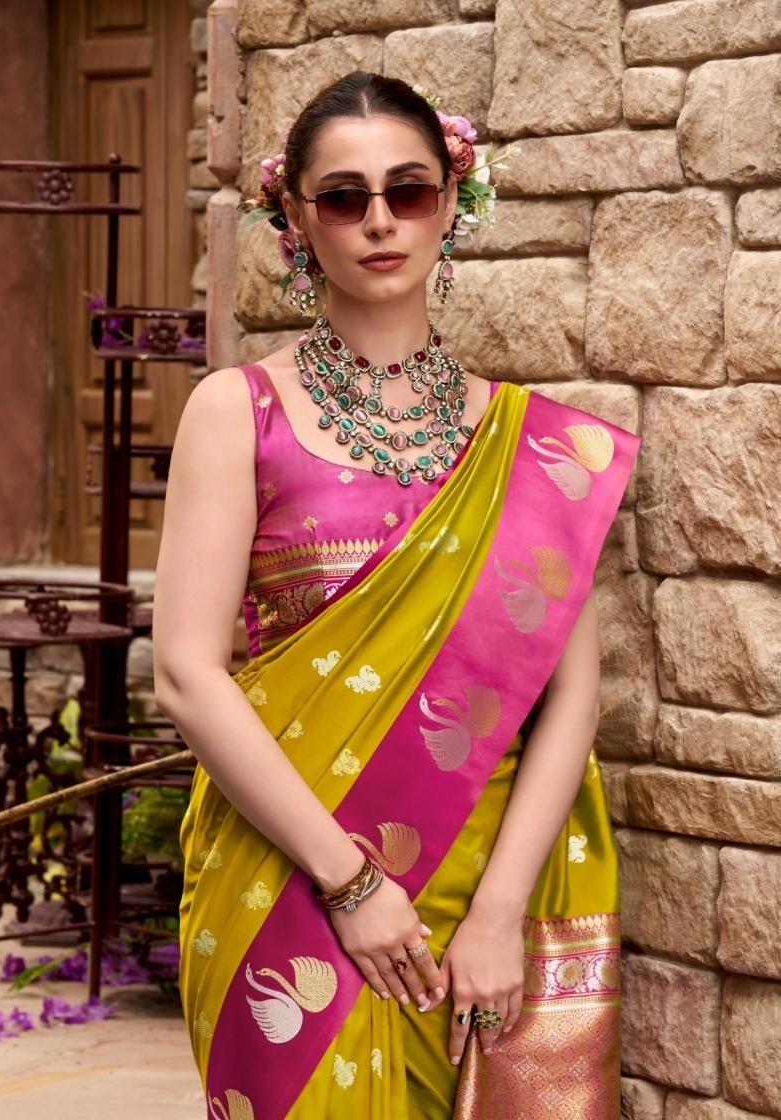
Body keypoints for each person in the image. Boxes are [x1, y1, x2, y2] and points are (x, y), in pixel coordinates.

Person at [153, 71, 639, 1120]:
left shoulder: (528, 445)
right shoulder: (238, 412)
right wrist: (353, 882)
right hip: (286, 881)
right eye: (343, 197)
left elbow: (569, 697)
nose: (379, 220)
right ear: (295, 220)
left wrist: (500, 910)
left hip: (483, 888)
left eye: (407, 190)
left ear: (451, 201)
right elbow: (186, 673)